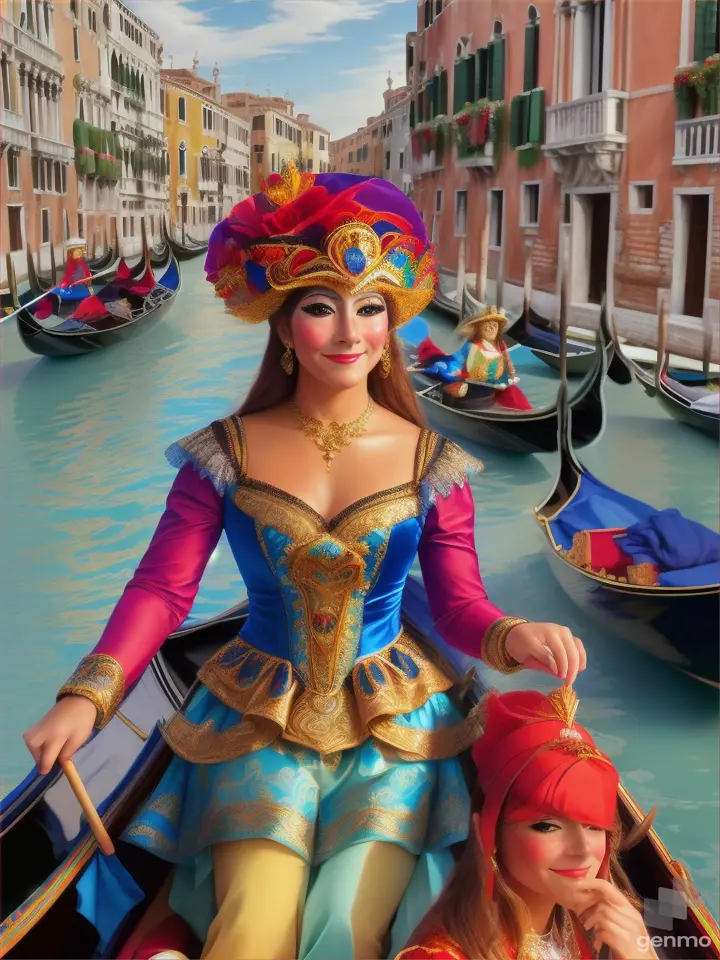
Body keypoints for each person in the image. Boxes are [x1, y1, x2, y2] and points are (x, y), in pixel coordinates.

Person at [22, 164, 586, 960]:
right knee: (253, 925)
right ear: (284, 326)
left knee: (344, 929)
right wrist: (87, 696)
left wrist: (514, 635)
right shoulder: (222, 453)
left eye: (370, 309)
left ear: (391, 323)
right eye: (321, 308)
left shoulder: (434, 461)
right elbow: (163, 588)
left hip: (397, 723)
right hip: (255, 712)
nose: (350, 332)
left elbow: (459, 604)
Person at [396, 685, 658, 960]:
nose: (582, 851)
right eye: (547, 826)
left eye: (593, 826)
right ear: (489, 832)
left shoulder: (579, 927)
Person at [420, 306, 531, 410]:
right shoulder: (462, 346)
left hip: (490, 394)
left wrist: (508, 374)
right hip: (464, 397)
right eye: (487, 325)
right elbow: (449, 364)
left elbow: (506, 366)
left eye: (495, 325)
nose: (491, 328)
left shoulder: (499, 345)